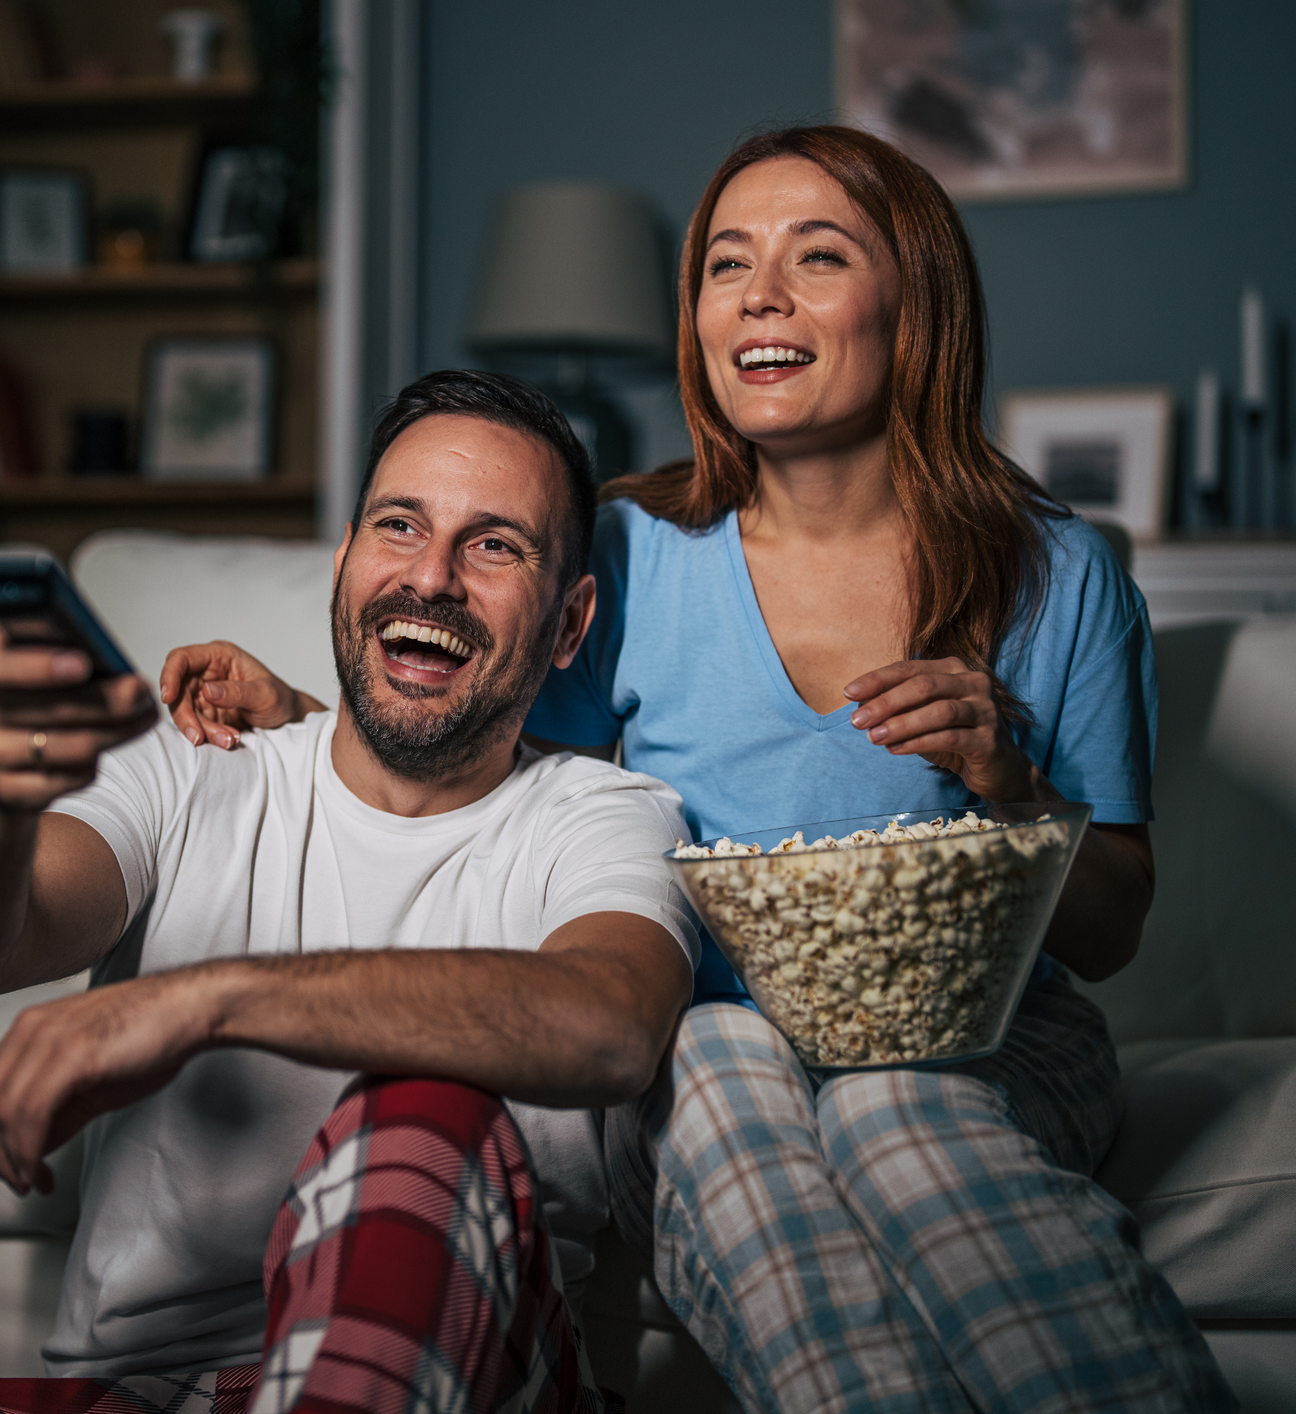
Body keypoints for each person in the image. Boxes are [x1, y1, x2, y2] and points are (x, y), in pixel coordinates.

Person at [162, 127, 1238, 1412]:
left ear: (918, 303)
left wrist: (1012, 783)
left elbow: (1112, 925)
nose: (759, 295)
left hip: (987, 1040)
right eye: (727, 265)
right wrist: (298, 715)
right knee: (719, 1057)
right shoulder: (633, 546)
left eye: (816, 256)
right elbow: (477, 747)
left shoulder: (1062, 575)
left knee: (895, 1103)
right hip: (709, 1038)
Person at [0, 370, 697, 1414]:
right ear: (344, 565)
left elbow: (605, 1020)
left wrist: (195, 998)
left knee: (419, 1123)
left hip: (468, 1379)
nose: (430, 578)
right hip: (138, 1394)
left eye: (494, 546)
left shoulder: (601, 816)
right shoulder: (193, 763)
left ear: (567, 623)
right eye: (398, 526)